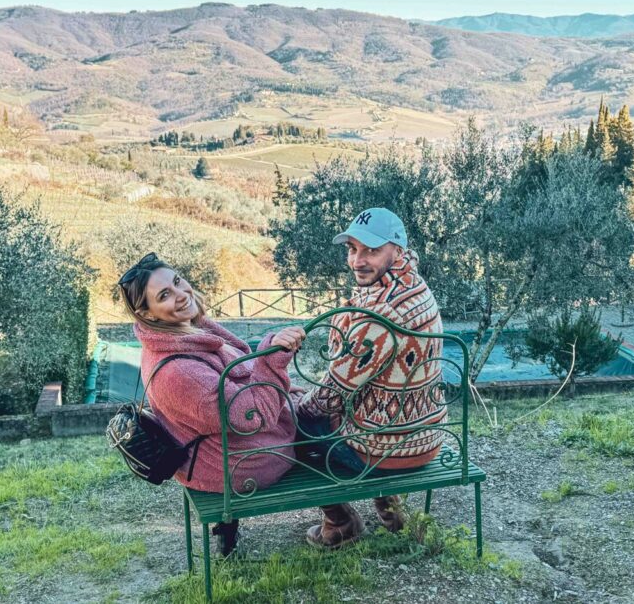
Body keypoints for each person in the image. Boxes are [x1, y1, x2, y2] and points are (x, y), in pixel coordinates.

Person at [118, 252, 306, 556]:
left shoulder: (184, 331)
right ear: (148, 314)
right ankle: (347, 519)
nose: (181, 295)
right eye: (165, 295)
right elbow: (252, 415)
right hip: (244, 464)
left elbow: (237, 377)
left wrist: (283, 389)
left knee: (315, 409)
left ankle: (340, 519)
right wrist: (273, 357)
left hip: (221, 454)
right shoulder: (178, 371)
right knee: (327, 427)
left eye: (178, 282)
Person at [297, 208, 446, 549]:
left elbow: (331, 396)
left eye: (371, 250)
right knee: (332, 412)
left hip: (392, 450)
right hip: (427, 433)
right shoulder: (413, 286)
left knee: (294, 429)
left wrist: (294, 408)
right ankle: (391, 511)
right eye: (352, 249)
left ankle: (341, 523)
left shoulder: (378, 315)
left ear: (397, 250)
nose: (357, 260)